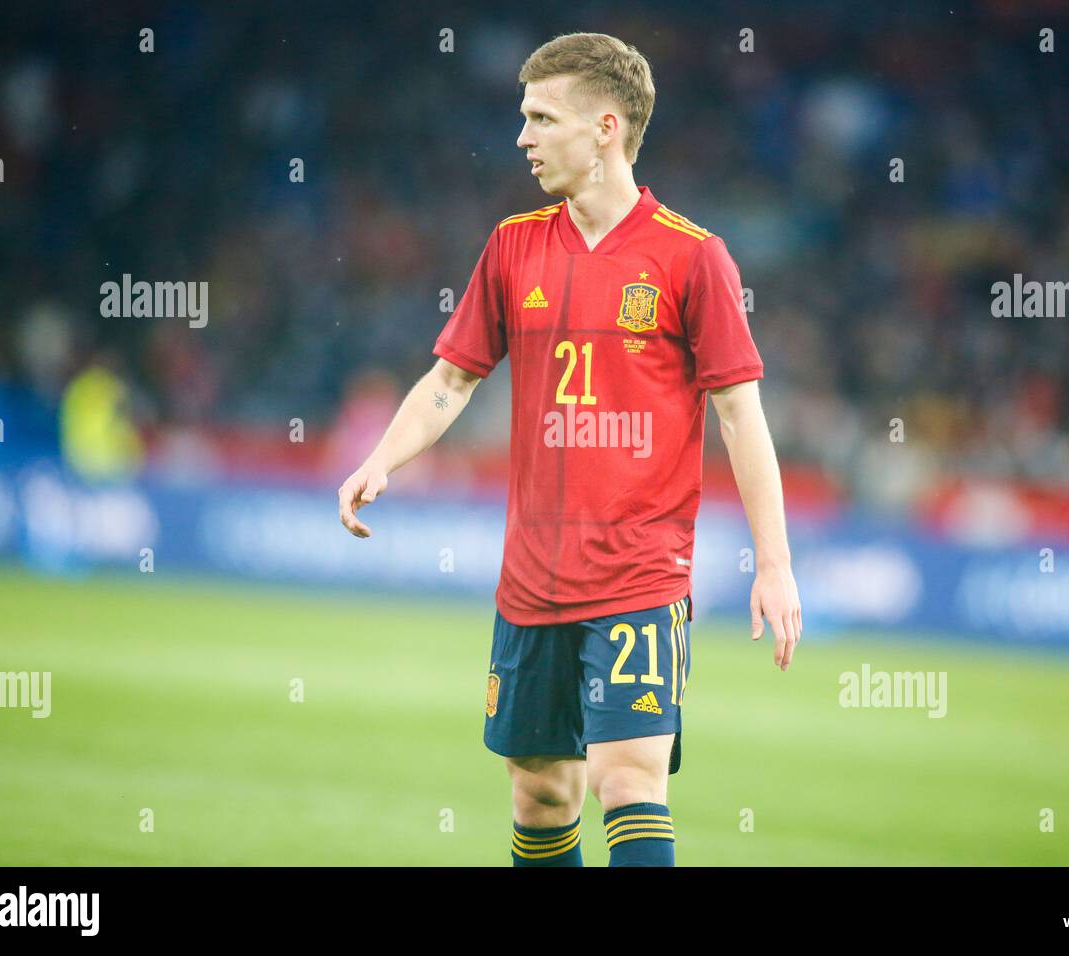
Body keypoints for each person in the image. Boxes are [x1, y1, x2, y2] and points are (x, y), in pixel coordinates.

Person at [338, 32, 801, 867]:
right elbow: (451, 381)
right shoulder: (514, 245)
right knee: (541, 793)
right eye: (524, 117)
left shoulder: (692, 256)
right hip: (531, 577)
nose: (522, 137)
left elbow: (740, 414)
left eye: (541, 118)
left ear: (606, 129)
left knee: (628, 781)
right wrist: (383, 459)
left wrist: (774, 563)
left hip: (639, 573)